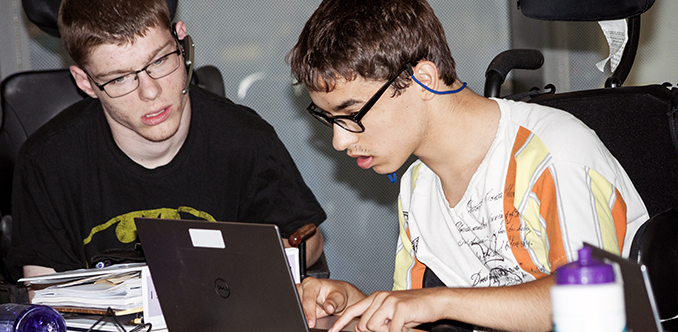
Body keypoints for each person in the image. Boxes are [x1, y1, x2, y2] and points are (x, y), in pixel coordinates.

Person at [287, 0, 648, 331]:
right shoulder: (418, 185)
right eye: (329, 118)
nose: (340, 140)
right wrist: (356, 311)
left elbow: (592, 307)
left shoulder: (554, 154)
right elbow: (416, 314)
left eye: (352, 113)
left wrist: (439, 301)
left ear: (422, 80)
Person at [8, 0, 325, 281]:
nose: (150, 92)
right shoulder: (47, 162)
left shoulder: (246, 139)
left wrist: (267, 262)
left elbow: (307, 241)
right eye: (119, 78)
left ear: (182, 40)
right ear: (85, 82)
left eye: (159, 61)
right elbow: (43, 293)